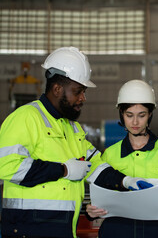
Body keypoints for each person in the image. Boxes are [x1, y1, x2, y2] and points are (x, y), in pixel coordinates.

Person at [0, 47, 129, 238]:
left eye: (84, 92)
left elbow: (96, 166)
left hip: (63, 227)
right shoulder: (25, 118)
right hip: (28, 227)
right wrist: (64, 170)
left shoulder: (72, 128)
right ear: (57, 88)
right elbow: (6, 165)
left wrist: (126, 181)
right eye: (78, 91)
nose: (83, 98)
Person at [86, 79, 158, 238]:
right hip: (116, 229)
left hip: (155, 230)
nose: (135, 122)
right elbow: (99, 197)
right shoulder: (110, 153)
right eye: (129, 115)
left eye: (141, 115)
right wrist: (91, 211)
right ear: (121, 115)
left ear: (150, 115)